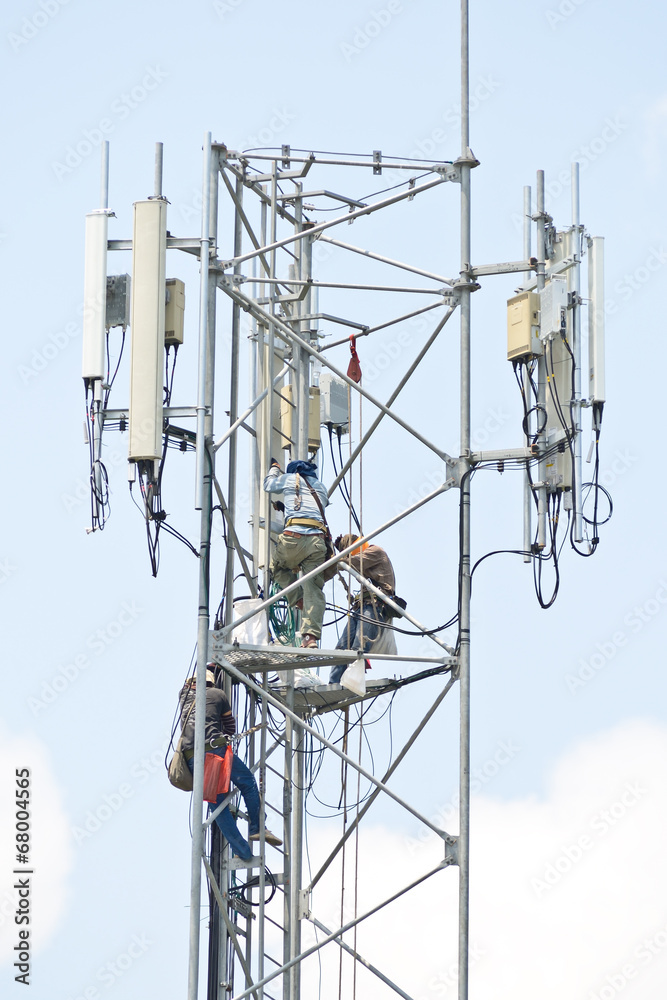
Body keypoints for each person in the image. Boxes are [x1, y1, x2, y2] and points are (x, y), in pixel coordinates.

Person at [179, 668, 281, 859]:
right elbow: (230, 727)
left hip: (192, 757)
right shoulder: (218, 694)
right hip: (214, 751)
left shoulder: (183, 696)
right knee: (247, 782)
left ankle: (242, 852)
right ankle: (257, 828)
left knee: (217, 805)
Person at [263, 458, 330, 649]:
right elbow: (310, 511)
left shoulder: (290, 478)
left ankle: (298, 599)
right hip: (317, 541)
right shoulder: (321, 487)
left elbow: (268, 486)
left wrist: (275, 469)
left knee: (278, 568)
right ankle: (310, 638)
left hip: (293, 538)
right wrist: (286, 509)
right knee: (314, 588)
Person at [330, 534, 398, 684]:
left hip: (375, 606)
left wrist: (337, 559)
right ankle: (333, 683)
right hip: (361, 606)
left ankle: (352, 681)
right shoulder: (366, 559)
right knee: (342, 647)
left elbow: (354, 562)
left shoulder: (375, 552)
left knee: (359, 647)